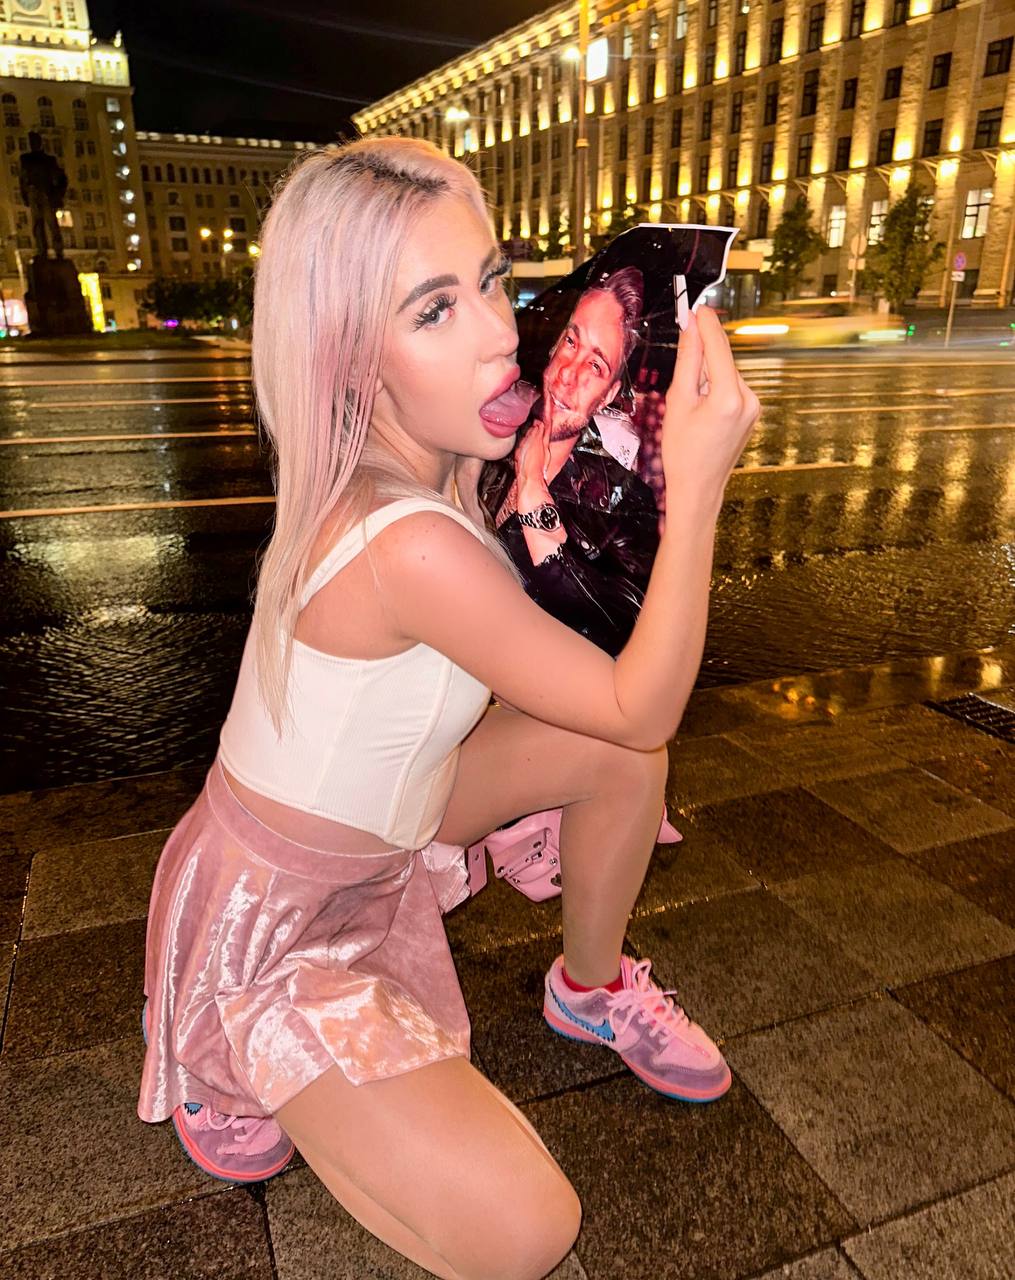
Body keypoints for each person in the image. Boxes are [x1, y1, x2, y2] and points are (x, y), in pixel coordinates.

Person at [137, 136, 760, 1280]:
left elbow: (590, 695)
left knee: (615, 761)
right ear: (347, 357)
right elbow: (640, 701)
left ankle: (588, 987)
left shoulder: (432, 467)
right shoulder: (413, 541)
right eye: (432, 309)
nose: (496, 333)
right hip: (280, 915)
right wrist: (700, 484)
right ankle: (232, 1045)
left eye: (490, 281)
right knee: (524, 1230)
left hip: (390, 823)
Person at [480, 267, 660, 656]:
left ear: (609, 394)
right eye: (571, 342)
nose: (568, 374)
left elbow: (616, 624)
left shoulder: (624, 502)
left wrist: (532, 491)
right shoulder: (489, 442)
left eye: (596, 366)